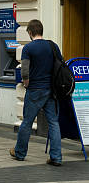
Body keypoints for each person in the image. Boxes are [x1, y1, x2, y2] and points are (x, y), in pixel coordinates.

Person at [11, 19, 63, 166]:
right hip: (50, 90)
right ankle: (56, 157)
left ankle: (20, 153)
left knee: (27, 122)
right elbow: (59, 64)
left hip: (35, 90)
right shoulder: (52, 46)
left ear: (30, 32)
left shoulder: (28, 48)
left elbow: (25, 71)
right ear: (41, 30)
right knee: (53, 122)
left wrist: (26, 84)